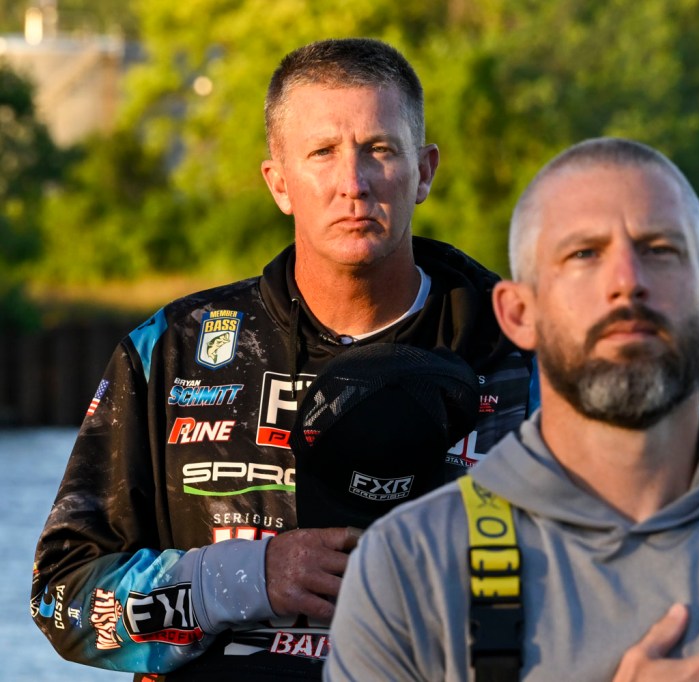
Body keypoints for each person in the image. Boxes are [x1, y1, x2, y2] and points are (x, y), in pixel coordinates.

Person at [30, 38, 535, 681]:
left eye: (380, 149)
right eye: (322, 153)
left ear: (425, 171)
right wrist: (246, 578)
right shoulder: (172, 350)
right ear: (279, 183)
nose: (353, 183)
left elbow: (611, 569)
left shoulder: (525, 354)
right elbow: (62, 601)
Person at [325, 137, 699, 681]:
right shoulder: (407, 568)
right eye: (585, 253)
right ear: (518, 314)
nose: (627, 282)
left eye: (659, 250)